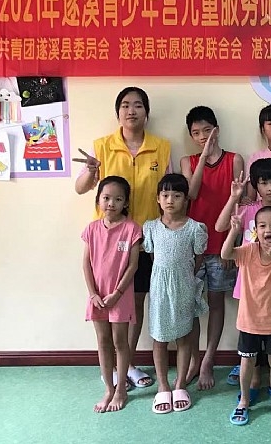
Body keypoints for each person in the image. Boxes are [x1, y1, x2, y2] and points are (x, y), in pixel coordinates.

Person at [74, 86, 172, 389]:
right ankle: (115, 368)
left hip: (144, 239)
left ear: (147, 112)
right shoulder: (102, 147)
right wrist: (91, 171)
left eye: (138, 105)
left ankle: (126, 365)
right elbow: (81, 188)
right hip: (106, 242)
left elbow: (168, 190)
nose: (132, 110)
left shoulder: (161, 147)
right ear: (118, 112)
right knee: (106, 304)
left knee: (135, 303)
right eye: (126, 105)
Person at [216, 158, 271, 399]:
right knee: (251, 334)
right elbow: (220, 226)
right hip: (248, 282)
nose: (270, 187)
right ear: (255, 185)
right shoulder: (248, 208)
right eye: (264, 182)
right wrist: (234, 198)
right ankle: (254, 379)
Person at [180, 106, 244, 389]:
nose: (202, 136)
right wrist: (204, 157)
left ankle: (208, 360)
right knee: (192, 305)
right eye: (196, 132)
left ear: (217, 130)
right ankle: (194, 360)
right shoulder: (187, 161)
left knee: (217, 303)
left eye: (207, 130)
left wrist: (233, 245)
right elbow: (191, 194)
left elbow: (240, 203)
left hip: (222, 245)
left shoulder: (234, 159)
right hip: (193, 247)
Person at [223, 206, 271, 426]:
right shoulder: (248, 250)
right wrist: (233, 231)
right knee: (247, 362)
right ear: (255, 230)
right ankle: (244, 401)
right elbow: (225, 254)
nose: (268, 230)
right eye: (263, 225)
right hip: (249, 321)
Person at [143, 174, 209, 414]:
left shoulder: (195, 228)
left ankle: (180, 384)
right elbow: (153, 258)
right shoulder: (151, 227)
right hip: (159, 289)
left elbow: (198, 258)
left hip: (184, 287)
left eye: (176, 195)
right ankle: (163, 386)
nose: (170, 200)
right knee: (159, 338)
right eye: (165, 195)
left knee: (183, 337)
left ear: (186, 200)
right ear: (158, 199)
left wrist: (184, 276)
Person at [81, 176, 142, 413]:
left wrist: (117, 293)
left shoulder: (132, 229)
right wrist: (93, 294)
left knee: (119, 341)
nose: (111, 203)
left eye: (118, 199)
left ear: (125, 202)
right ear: (98, 200)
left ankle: (121, 391)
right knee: (103, 341)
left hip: (120, 295)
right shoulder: (91, 229)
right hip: (97, 296)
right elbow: (86, 264)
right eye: (106, 198)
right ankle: (109, 388)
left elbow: (133, 265)